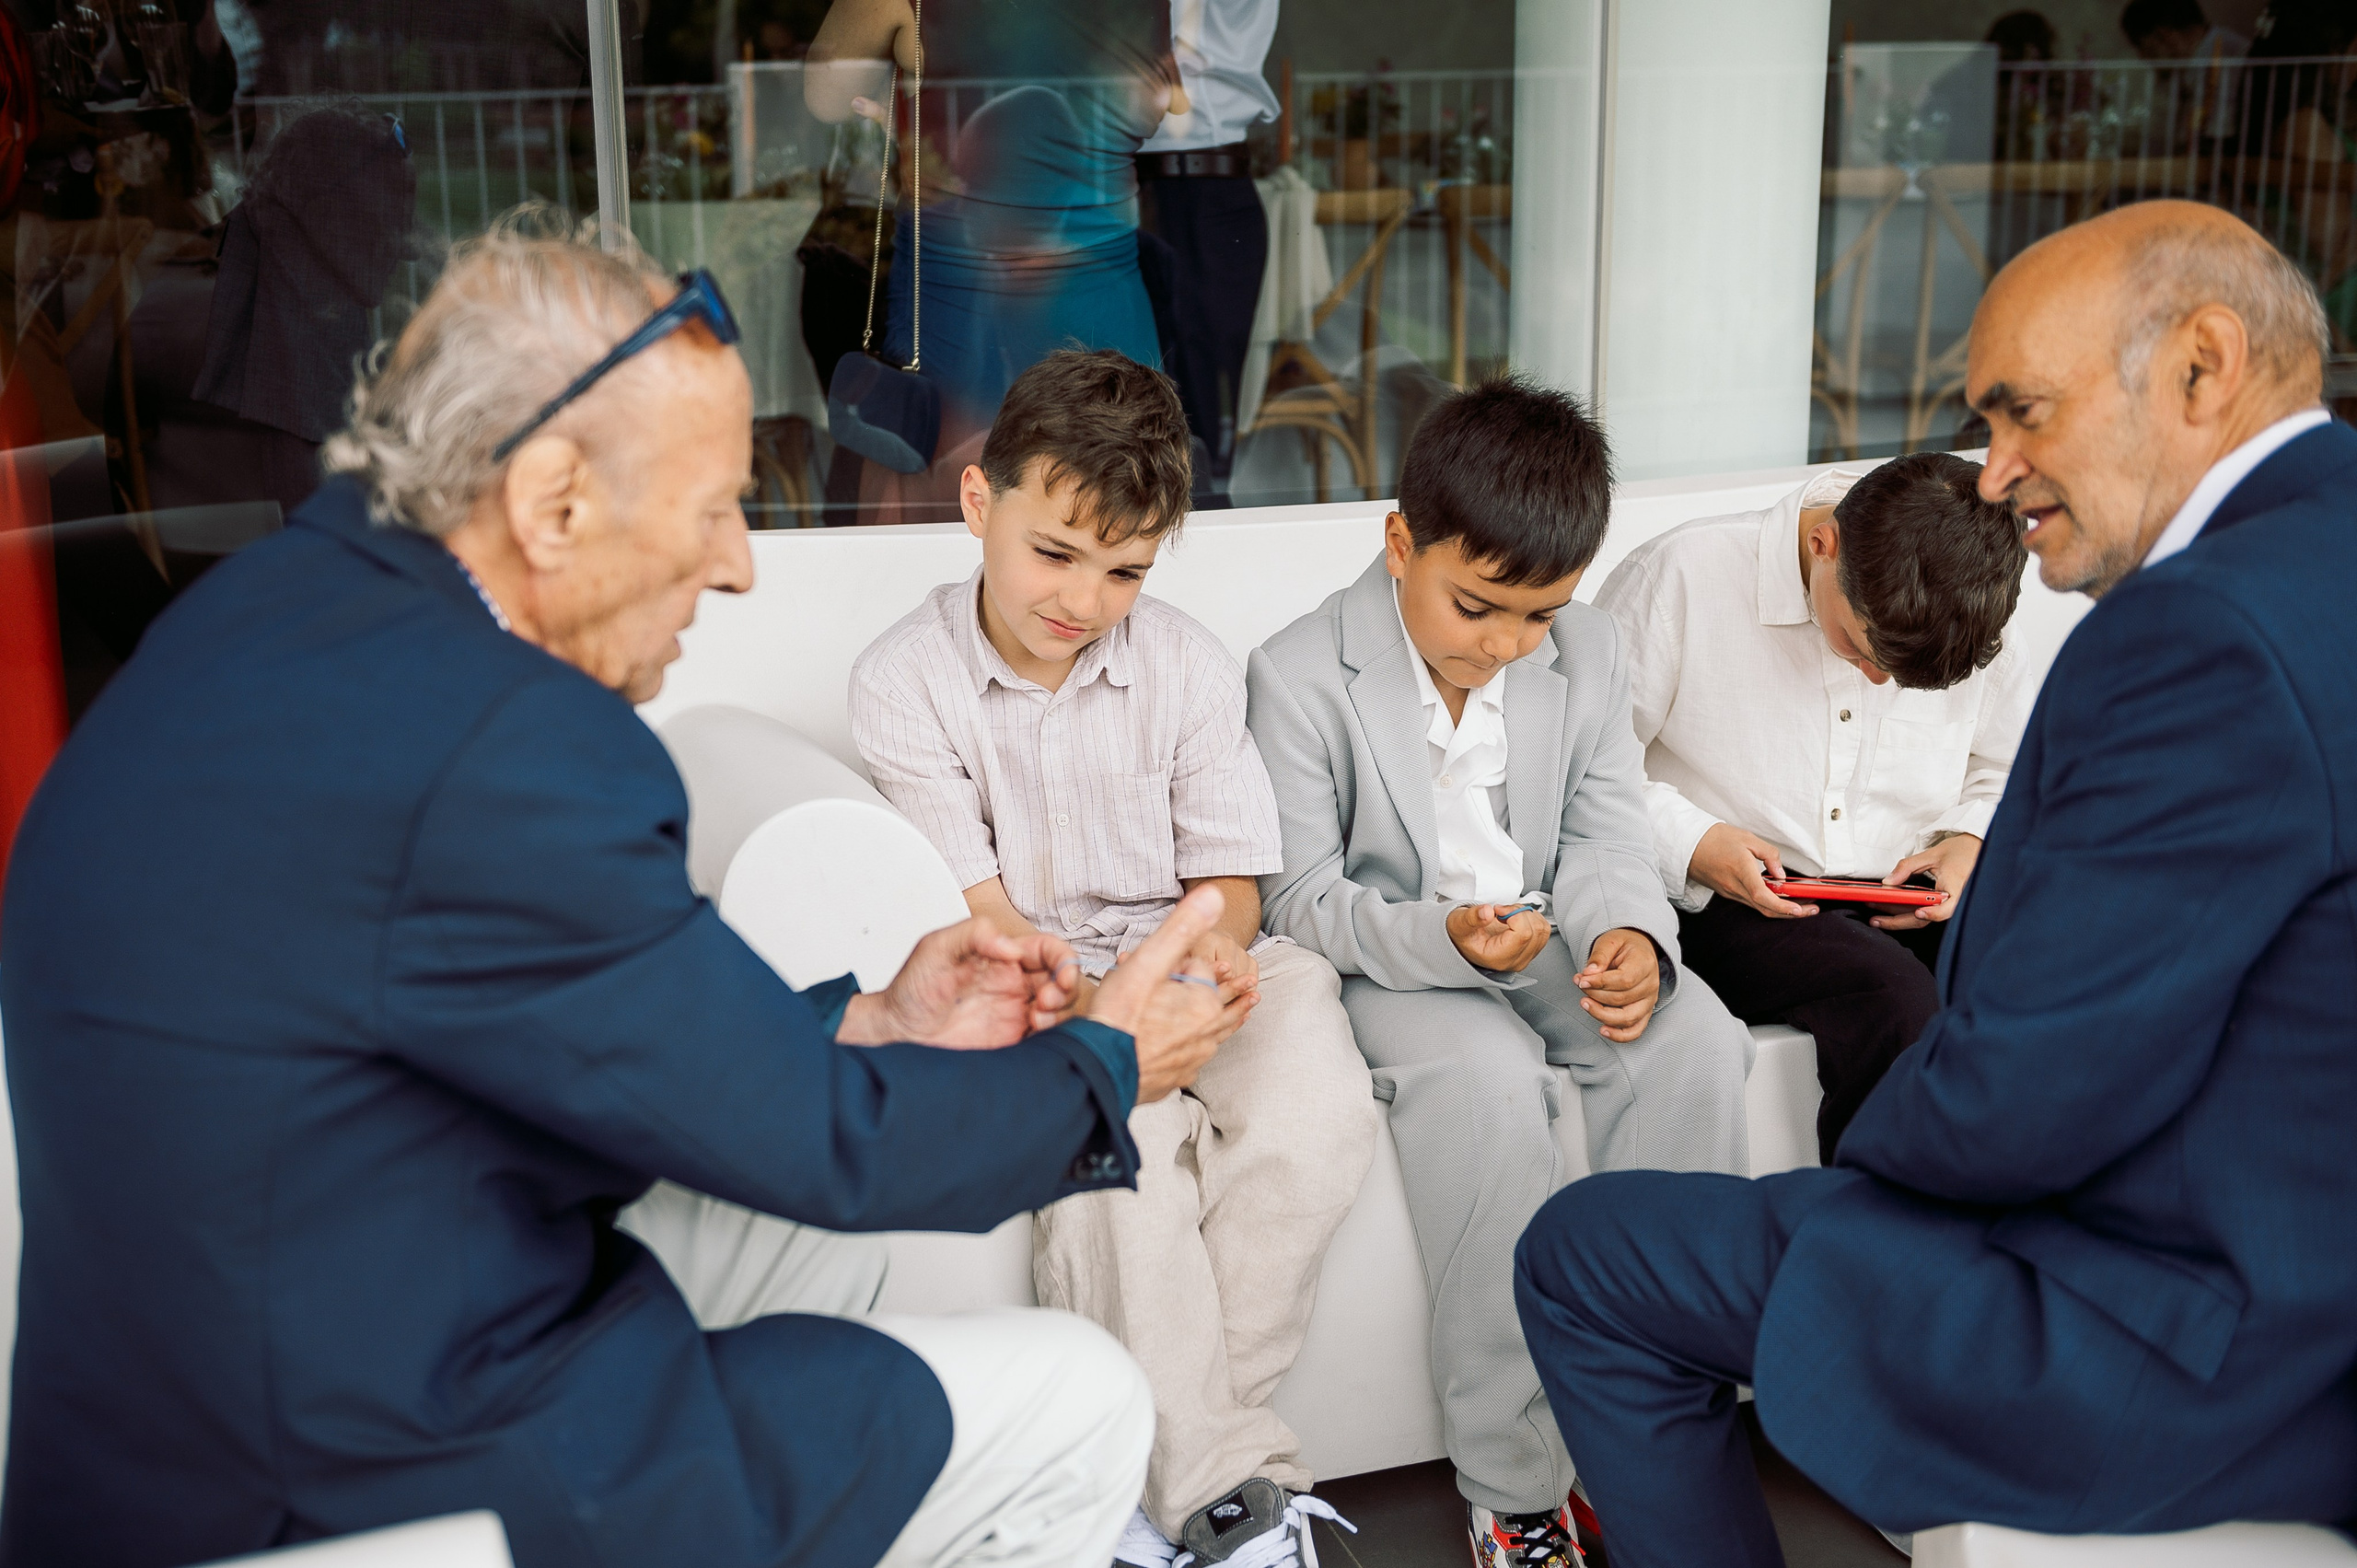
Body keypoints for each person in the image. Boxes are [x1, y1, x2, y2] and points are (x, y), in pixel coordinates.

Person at [0, 224, 1237, 1568]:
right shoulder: (504, 744)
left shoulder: (290, 610)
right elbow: (832, 1145)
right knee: (1078, 1398)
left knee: (810, 1248)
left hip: (254, 1360)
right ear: (552, 503)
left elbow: (601, 1039)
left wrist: (871, 1023)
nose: (739, 563)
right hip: (355, 1472)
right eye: (712, 506)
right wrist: (1104, 1062)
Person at [1513, 201, 2357, 1568]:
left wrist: (1861, 1212)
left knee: (1590, 1254)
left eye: (2024, 413)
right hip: (2282, 1256)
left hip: (2195, 1332)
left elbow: (2039, 1083)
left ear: (2204, 366)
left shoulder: (2198, 634)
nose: (2001, 472)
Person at [848, 347, 1380, 1568]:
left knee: (1318, 1104)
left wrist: (1199, 980)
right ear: (980, 503)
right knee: (1116, 1153)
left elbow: (1234, 881)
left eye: (1126, 569)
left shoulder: (1187, 661)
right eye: (1056, 552)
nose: (1084, 598)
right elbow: (983, 916)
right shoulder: (901, 683)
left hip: (1201, 958)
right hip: (1032, 984)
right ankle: (1229, 1497)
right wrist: (1120, 1014)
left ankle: (1157, 1477)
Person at [1246, 378, 1754, 1568]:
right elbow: (1301, 899)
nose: (1510, 643)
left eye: (1541, 615)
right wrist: (1445, 939)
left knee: (1695, 1041)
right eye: (1479, 607)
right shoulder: (1298, 674)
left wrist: (1631, 933)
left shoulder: (1586, 645)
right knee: (1487, 1092)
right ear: (1398, 541)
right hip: (1401, 962)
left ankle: (1671, 1434)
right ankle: (1513, 1484)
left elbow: (1607, 830)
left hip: (1553, 937)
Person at [1593, 450, 2046, 1163]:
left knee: (2053, 968)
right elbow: (1583, 768)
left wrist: (1969, 839)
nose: (1875, 679)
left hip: (1907, 892)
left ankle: (2030, 1237)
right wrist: (1696, 841)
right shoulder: (1679, 577)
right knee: (1893, 1000)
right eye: (1862, 649)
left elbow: (2008, 762)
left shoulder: (1966, 602)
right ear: (1821, 543)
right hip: (1721, 899)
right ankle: (1870, 1250)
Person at [807, 0, 1179, 520]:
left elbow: (825, 98)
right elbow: (1169, 107)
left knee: (961, 524)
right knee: (1108, 517)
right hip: (1102, 293)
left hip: (967, 305)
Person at [1133, 0, 1281, 494]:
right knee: (1146, 388)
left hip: (1210, 190)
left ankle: (1211, 517)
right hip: (1143, 188)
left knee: (1205, 402)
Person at [2122, 0, 2248, 61]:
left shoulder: (2225, 54)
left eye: (2150, 51)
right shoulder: (2207, 52)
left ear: (2165, 35)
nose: (2144, 59)